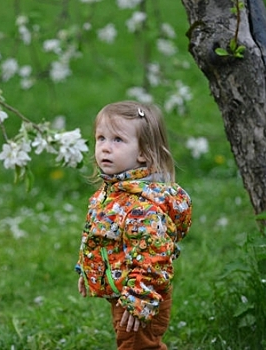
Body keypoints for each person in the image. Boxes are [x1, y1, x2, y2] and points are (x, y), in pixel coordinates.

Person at [75, 101, 192, 350]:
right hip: (126, 292)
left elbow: (154, 256)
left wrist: (139, 297)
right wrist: (88, 269)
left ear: (143, 153)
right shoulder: (111, 193)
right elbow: (98, 237)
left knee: (138, 346)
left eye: (118, 140)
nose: (105, 147)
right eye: (101, 138)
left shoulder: (143, 206)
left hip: (143, 294)